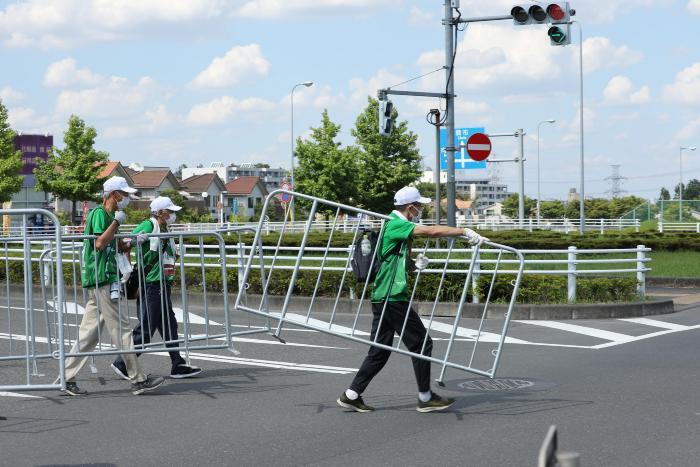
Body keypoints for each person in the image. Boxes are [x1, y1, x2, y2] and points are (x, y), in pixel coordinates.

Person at [337, 186, 488, 413]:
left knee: (380, 350)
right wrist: (464, 231)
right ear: (410, 207)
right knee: (421, 343)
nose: (421, 210)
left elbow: (392, 261)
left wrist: (413, 266)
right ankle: (426, 398)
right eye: (419, 206)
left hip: (383, 295)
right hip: (392, 296)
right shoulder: (397, 223)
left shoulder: (393, 225)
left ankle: (351, 395)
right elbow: (431, 232)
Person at [61, 177, 165, 396]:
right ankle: (138, 380)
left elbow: (115, 245)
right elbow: (99, 243)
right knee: (122, 329)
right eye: (123, 194)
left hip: (102, 279)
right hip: (102, 279)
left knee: (88, 334)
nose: (126, 198)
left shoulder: (107, 216)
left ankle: (66, 378)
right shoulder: (100, 214)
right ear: (113, 194)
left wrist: (133, 241)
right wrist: (117, 223)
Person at [111, 196, 202, 380]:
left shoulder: (164, 228)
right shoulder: (148, 225)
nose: (173, 215)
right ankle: (122, 363)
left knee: (169, 325)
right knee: (146, 328)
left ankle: (177, 364)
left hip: (162, 284)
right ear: (160, 212)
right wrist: (132, 248)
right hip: (151, 284)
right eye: (170, 212)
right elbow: (121, 244)